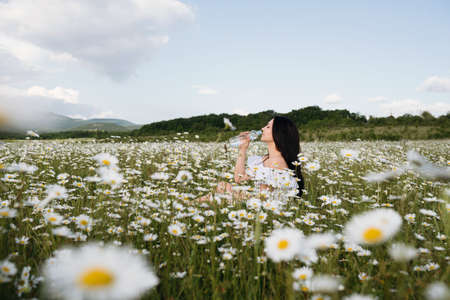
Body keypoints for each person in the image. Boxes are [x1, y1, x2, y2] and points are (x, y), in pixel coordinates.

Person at [198, 116, 304, 202]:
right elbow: (239, 178)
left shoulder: (276, 162)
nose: (262, 128)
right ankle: (192, 204)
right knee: (222, 186)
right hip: (256, 201)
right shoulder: (266, 159)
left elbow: (263, 199)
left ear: (278, 134)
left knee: (222, 189)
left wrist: (234, 193)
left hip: (265, 208)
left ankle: (191, 204)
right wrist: (242, 149)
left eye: (267, 127)